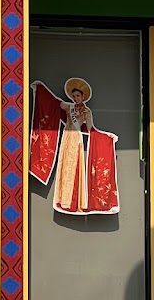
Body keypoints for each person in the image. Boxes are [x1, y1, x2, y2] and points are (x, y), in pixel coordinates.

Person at [29, 77, 119, 215]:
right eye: (74, 96)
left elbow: (91, 129)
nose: (76, 98)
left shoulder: (87, 112)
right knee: (65, 168)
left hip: (76, 140)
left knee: (74, 168)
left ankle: (75, 201)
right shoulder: (68, 107)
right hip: (66, 139)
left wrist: (107, 137)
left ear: (83, 97)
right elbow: (53, 103)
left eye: (78, 96)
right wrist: (40, 89)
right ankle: (63, 199)